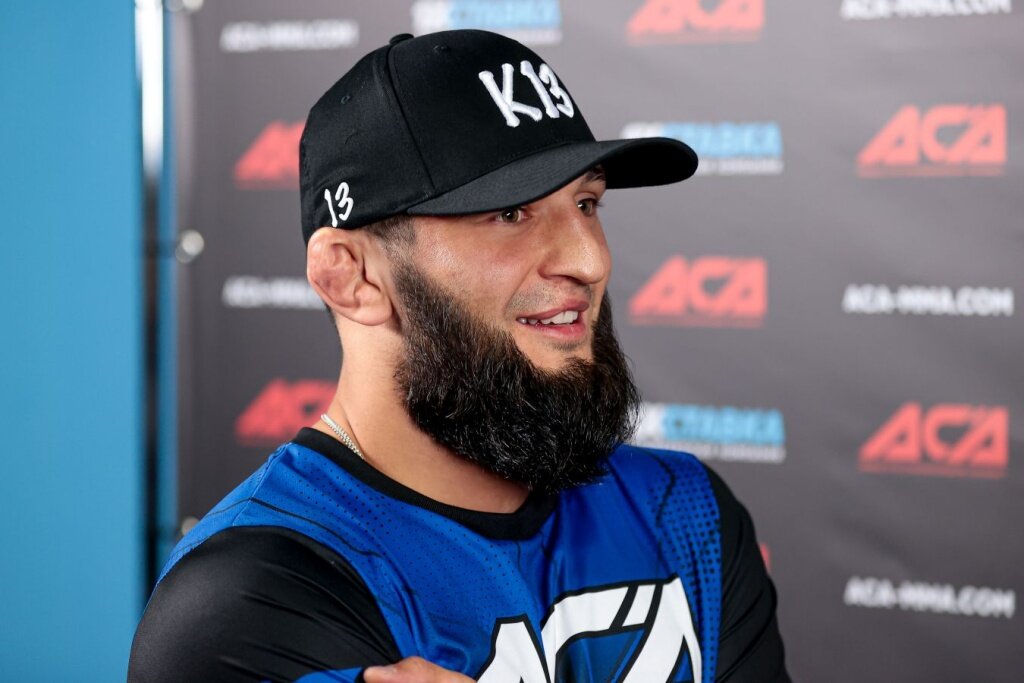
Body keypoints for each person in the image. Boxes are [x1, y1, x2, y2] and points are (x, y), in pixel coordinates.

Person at [129, 29, 789, 683]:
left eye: (587, 203)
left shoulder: (683, 511)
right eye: (510, 213)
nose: (590, 260)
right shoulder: (253, 595)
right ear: (351, 276)